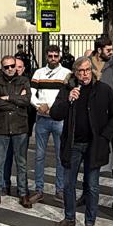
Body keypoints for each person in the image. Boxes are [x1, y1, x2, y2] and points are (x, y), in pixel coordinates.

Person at [46, 56, 113, 226]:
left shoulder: (103, 89)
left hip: (94, 145)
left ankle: (89, 223)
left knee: (92, 185)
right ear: (75, 73)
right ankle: (69, 219)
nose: (84, 74)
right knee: (68, 184)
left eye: (87, 70)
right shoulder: (68, 89)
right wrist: (68, 100)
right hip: (73, 145)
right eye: (80, 71)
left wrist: (104, 137)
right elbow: (55, 114)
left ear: (92, 70)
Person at [29, 44, 71, 205]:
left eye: (55, 56)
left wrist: (55, 108)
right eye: (50, 56)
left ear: (59, 56)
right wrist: (39, 105)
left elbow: (69, 94)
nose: (53, 58)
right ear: (46, 56)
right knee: (39, 155)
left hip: (59, 119)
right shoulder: (39, 73)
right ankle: (39, 189)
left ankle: (59, 189)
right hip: (42, 118)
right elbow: (31, 93)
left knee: (61, 156)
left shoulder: (66, 73)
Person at [0, 53, 32, 208]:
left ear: (16, 66)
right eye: (6, 67)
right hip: (1, 127)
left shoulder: (24, 80)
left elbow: (26, 101)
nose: (10, 69)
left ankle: (23, 194)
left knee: (21, 163)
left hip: (20, 126)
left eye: (12, 66)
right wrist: (16, 100)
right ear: (2, 68)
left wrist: (8, 98)